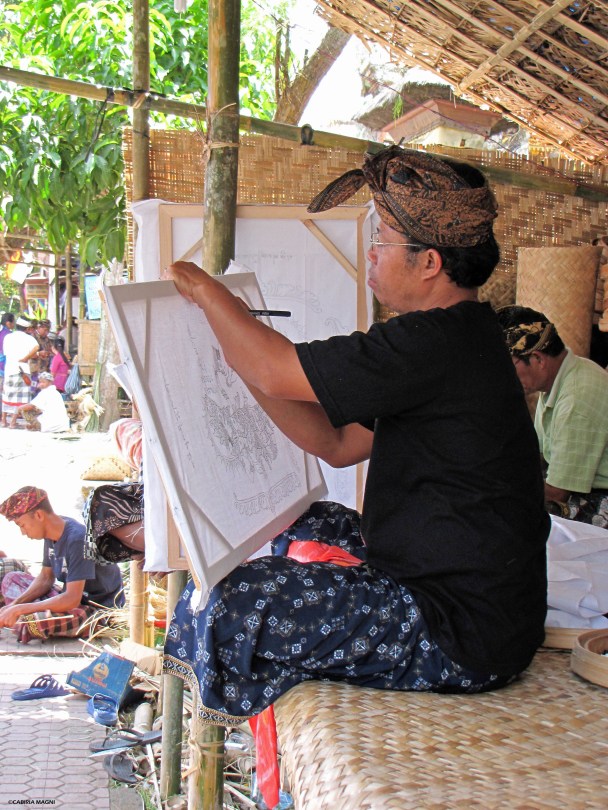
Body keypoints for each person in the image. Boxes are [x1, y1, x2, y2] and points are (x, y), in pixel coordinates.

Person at [162, 146, 549, 727]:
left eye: (384, 239)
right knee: (299, 521)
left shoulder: (434, 342)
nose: (370, 252)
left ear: (429, 263)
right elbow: (335, 442)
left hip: (461, 632)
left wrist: (209, 296)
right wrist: (238, 348)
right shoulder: (461, 339)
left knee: (229, 599)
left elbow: (275, 369)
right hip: (476, 603)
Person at [496, 304, 608, 527]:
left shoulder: (577, 395)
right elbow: (535, 453)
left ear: (537, 358)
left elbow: (557, 493)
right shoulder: (558, 380)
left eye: (509, 369)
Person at [0, 486, 125, 643]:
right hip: (68, 598)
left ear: (38, 515)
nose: (23, 532)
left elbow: (72, 599)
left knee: (31, 624)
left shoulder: (78, 539)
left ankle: (24, 618)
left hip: (95, 611)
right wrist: (15, 606)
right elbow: (46, 578)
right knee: (11, 578)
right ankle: (21, 615)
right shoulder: (51, 532)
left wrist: (20, 609)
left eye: (22, 525)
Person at [1, 316, 39, 428]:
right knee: (20, 398)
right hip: (23, 370)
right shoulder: (29, 338)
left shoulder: (8, 337)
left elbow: (5, 352)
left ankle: (3, 421)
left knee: (7, 395)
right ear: (27, 328)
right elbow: (36, 348)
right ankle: (12, 422)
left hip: (9, 369)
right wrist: (26, 358)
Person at [0, 312, 15, 424]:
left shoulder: (2, 333)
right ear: (8, 323)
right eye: (13, 322)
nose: (14, 324)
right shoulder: (8, 335)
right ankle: (3, 418)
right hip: (4, 366)